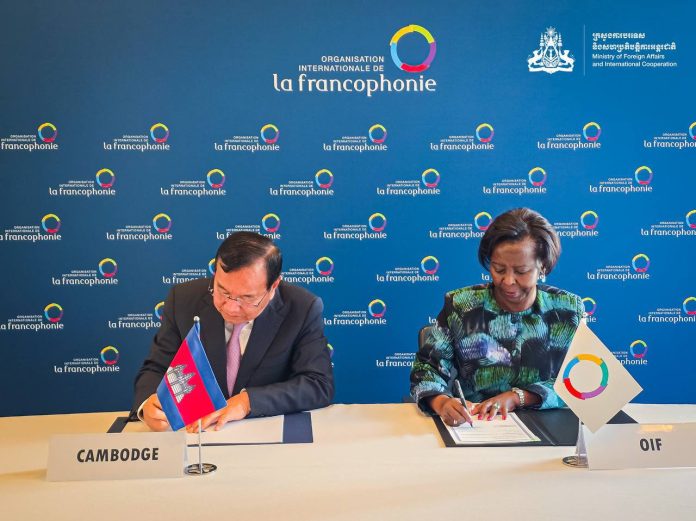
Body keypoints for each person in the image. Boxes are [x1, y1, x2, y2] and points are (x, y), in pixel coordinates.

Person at [132, 231, 334, 432]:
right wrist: (148, 405)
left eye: (247, 298)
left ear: (273, 286)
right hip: (196, 434)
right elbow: (157, 368)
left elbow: (317, 384)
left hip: (266, 434)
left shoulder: (302, 308)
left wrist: (247, 402)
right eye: (223, 291)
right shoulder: (183, 299)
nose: (230, 308)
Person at [410, 208, 584, 426]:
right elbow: (426, 370)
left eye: (521, 271)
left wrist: (519, 397)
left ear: (543, 266)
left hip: (552, 427)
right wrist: (442, 402)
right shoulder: (461, 305)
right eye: (499, 269)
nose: (508, 281)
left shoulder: (568, 310)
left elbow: (583, 379)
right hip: (475, 425)